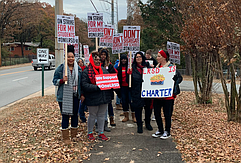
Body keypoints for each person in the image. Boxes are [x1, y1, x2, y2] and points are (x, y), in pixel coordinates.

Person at [52, 45, 83, 145]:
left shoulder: (78, 69)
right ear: (66, 57)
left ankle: (73, 135)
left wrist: (81, 94)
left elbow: (81, 83)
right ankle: (66, 137)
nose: (70, 58)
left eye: (72, 57)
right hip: (64, 97)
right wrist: (61, 80)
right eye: (69, 57)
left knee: (74, 115)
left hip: (75, 95)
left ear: (74, 57)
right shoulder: (61, 69)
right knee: (65, 115)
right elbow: (54, 81)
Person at [81, 51, 113, 141]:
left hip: (104, 97)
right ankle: (90, 132)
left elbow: (109, 81)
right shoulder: (87, 71)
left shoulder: (104, 70)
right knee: (92, 115)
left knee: (102, 115)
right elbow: (84, 85)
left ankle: (101, 132)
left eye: (99, 59)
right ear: (92, 60)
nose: (98, 61)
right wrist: (96, 87)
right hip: (92, 97)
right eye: (96, 59)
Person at [152, 50, 183, 139]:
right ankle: (160, 129)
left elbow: (179, 78)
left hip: (168, 96)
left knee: (167, 114)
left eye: (159, 56)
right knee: (157, 113)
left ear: (164, 57)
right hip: (157, 95)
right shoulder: (156, 68)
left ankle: (167, 131)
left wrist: (173, 81)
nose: (157, 58)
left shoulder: (171, 68)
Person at [129, 52, 152, 133]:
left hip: (147, 91)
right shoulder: (132, 68)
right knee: (138, 109)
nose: (138, 58)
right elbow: (128, 82)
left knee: (148, 108)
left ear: (142, 58)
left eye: (139, 57)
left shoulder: (148, 67)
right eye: (136, 57)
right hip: (136, 92)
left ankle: (147, 123)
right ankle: (139, 125)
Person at [99, 48, 118, 128]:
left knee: (109, 103)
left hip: (108, 88)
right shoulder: (97, 64)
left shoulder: (109, 65)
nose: (103, 56)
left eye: (104, 55)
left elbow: (114, 74)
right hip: (99, 88)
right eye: (102, 55)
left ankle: (111, 118)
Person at [117, 54, 136, 122]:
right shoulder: (119, 68)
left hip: (130, 87)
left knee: (131, 101)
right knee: (124, 101)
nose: (124, 60)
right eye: (122, 59)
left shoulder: (130, 67)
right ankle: (126, 116)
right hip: (122, 87)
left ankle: (134, 116)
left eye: (125, 59)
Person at [76, 58, 87, 123]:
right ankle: (81, 117)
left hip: (85, 89)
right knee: (81, 105)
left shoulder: (86, 69)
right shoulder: (76, 70)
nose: (80, 63)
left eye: (81, 62)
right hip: (79, 90)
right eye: (79, 62)